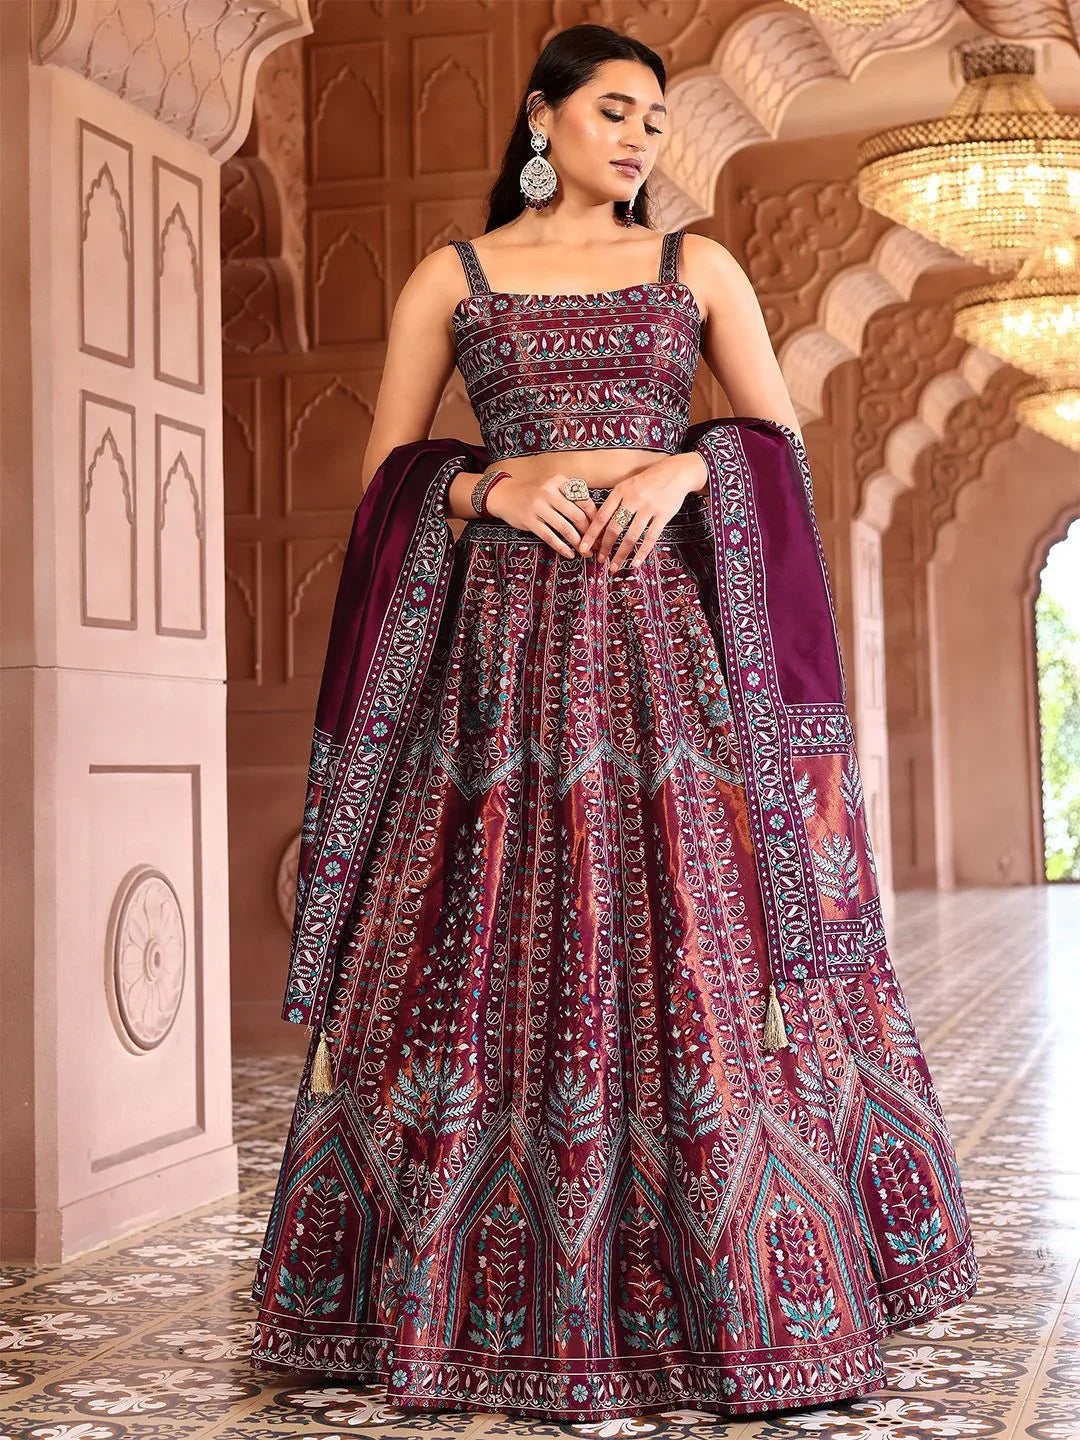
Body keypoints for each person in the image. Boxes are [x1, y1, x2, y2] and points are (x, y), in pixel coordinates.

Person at [248, 21, 977, 1431]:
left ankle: (731, 1294)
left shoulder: (692, 266)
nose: (641, 138)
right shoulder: (450, 279)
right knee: (485, 930)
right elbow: (383, 479)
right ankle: (461, 1299)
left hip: (660, 650)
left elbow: (775, 446)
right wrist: (487, 491)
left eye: (654, 119)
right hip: (500, 661)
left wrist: (685, 471)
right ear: (543, 119)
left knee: (695, 932)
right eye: (616, 111)